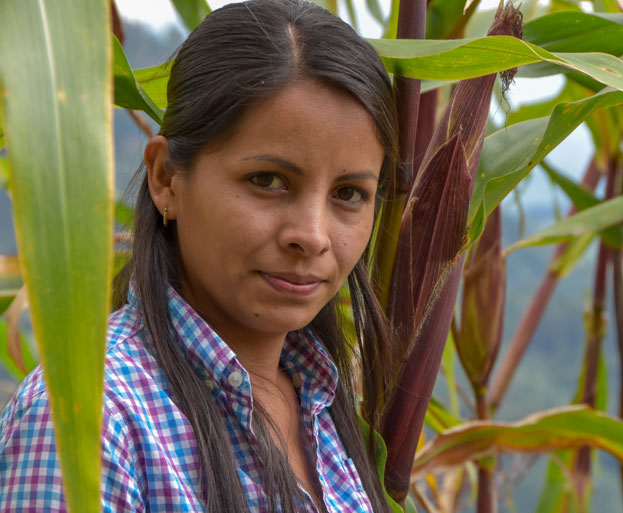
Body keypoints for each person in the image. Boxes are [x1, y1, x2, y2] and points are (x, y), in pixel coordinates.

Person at [0, 1, 399, 511]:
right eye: (268, 181)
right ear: (166, 178)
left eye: (348, 194)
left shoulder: (319, 401)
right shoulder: (89, 420)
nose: (313, 236)